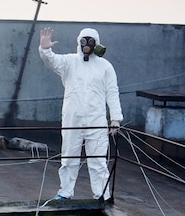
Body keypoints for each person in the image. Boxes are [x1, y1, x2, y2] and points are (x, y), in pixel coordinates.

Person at [38, 27, 123, 201]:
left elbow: (112, 92)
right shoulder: (70, 62)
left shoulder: (105, 66)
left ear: (97, 43)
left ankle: (102, 194)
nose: (88, 44)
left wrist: (115, 118)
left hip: (96, 120)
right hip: (72, 118)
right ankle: (66, 191)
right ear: (79, 42)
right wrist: (45, 49)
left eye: (91, 41)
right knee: (69, 156)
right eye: (85, 40)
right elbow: (51, 61)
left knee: (98, 160)